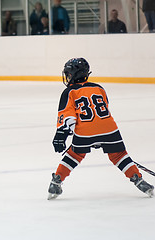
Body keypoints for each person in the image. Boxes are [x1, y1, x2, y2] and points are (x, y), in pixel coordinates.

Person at [47, 58, 154, 200]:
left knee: (75, 154)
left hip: (85, 131)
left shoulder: (69, 92)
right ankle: (139, 181)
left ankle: (56, 182)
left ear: (72, 75)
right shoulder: (99, 88)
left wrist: (60, 136)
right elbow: (104, 109)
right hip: (109, 128)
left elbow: (67, 117)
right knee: (119, 155)